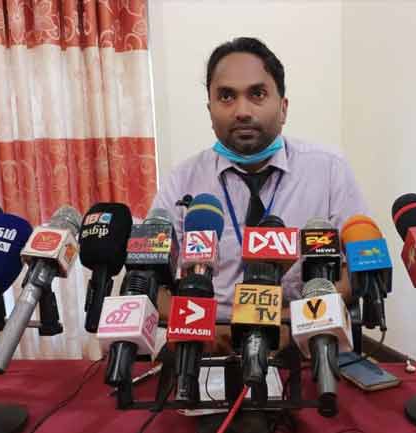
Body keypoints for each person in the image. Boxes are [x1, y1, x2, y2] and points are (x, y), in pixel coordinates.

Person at [151, 37, 369, 349]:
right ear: (210, 110)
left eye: (257, 94)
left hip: (301, 340)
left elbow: (357, 272)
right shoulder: (182, 180)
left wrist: (290, 323)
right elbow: (152, 281)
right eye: (226, 96)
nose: (242, 111)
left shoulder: (329, 170)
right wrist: (209, 331)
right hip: (204, 343)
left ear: (283, 108)